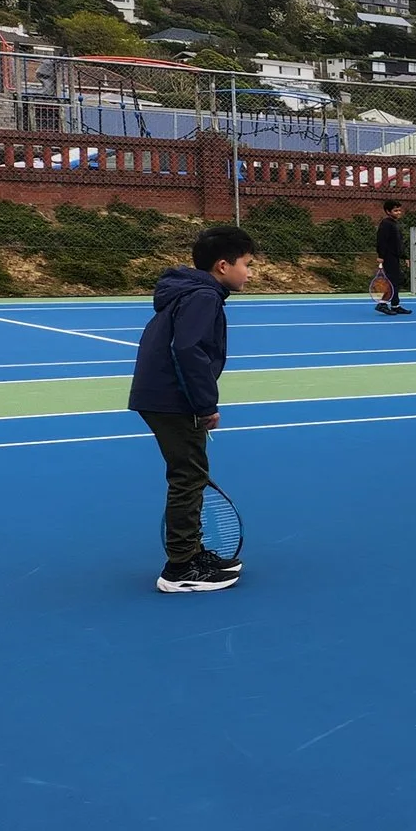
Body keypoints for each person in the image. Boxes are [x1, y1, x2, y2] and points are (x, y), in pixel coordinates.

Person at [128, 223, 257, 594]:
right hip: (172, 398)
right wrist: (205, 405)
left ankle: (192, 552)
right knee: (188, 476)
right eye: (246, 264)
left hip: (162, 395)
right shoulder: (203, 297)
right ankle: (180, 567)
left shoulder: (192, 292)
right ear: (222, 266)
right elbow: (188, 350)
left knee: (190, 473)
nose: (249, 273)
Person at [373, 198, 411, 315]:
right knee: (391, 281)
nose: (398, 213)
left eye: (399, 210)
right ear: (388, 212)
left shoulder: (395, 224)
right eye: (395, 211)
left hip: (395, 257)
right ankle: (382, 304)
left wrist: (405, 257)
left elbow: (398, 243)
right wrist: (381, 256)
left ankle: (395, 305)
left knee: (396, 280)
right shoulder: (385, 224)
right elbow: (381, 241)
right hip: (388, 257)